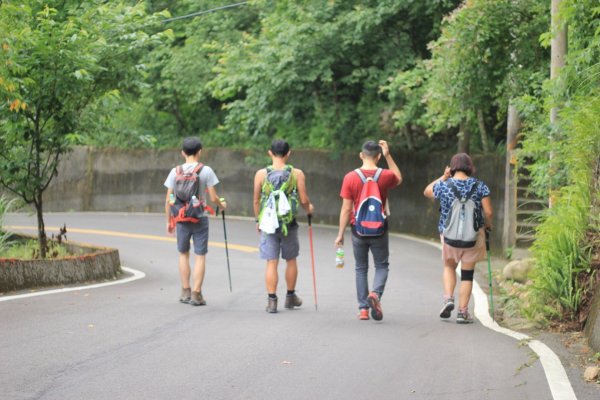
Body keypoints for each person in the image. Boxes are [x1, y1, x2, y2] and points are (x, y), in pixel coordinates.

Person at [334, 140, 402, 321]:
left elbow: (346, 209)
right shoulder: (386, 175)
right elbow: (399, 177)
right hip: (379, 229)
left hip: (358, 229)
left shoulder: (350, 177)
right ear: (378, 156)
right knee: (381, 265)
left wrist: (340, 234)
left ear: (361, 155)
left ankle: (363, 309)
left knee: (361, 268)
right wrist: (388, 155)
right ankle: (375, 294)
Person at [423, 153, 493, 324]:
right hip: (472, 237)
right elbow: (489, 212)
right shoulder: (480, 186)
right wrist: (488, 226)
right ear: (470, 166)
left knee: (449, 267)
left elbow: (426, 192)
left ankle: (448, 299)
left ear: (452, 167)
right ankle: (462, 312)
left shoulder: (445, 185)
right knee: (467, 275)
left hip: (449, 237)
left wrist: (444, 176)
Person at [253, 139, 314, 313]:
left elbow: (256, 200)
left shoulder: (261, 174)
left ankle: (272, 301)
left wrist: (258, 220)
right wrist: (309, 209)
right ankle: (290, 297)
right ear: (289, 153)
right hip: (289, 222)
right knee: (291, 259)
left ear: (270, 153)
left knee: (271, 262)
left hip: (268, 224)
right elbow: (303, 200)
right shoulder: (297, 174)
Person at [164, 137, 227, 306]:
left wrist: (169, 219)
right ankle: (196, 294)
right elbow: (213, 197)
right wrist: (222, 204)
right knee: (200, 255)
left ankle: (185, 290)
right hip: (199, 217)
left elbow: (169, 198)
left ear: (183, 153)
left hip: (181, 218)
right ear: (200, 151)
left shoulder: (174, 171)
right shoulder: (205, 170)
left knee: (183, 254)